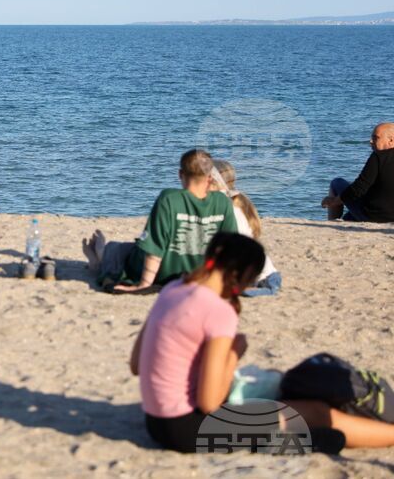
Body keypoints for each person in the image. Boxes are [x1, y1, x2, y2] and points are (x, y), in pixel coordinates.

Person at [131, 232, 394, 453]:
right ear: (244, 273)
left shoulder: (173, 288)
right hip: (190, 431)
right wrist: (235, 353)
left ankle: (291, 440)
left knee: (288, 406)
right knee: (316, 412)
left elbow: (135, 365)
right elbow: (210, 403)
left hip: (154, 422)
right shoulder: (217, 310)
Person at [82, 149, 237, 293]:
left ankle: (98, 258)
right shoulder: (223, 202)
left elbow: (154, 248)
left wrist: (144, 285)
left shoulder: (169, 199)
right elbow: (232, 248)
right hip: (200, 275)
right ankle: (99, 255)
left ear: (180, 174)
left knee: (116, 250)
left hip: (164, 275)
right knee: (129, 249)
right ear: (210, 177)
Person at [209, 159, 280, 296]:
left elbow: (242, 249)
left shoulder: (232, 211)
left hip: (263, 279)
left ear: (214, 182)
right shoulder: (227, 204)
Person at [321, 123, 394, 223]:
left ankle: (331, 223)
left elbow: (359, 188)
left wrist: (334, 201)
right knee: (348, 217)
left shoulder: (378, 156)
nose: (370, 141)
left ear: (391, 140)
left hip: (374, 216)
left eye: (376, 138)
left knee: (337, 183)